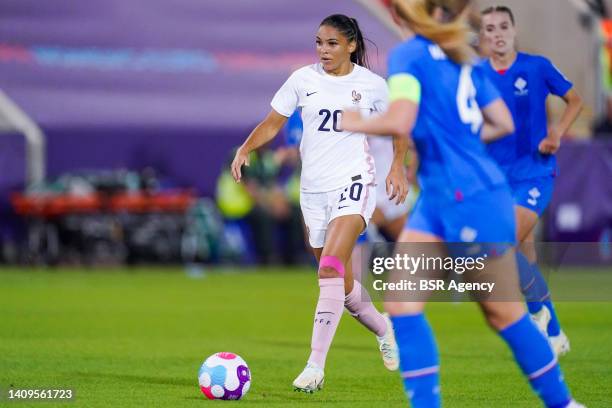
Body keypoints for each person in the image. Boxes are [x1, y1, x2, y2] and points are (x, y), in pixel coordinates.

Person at [342, 0, 583, 407]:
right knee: (401, 302)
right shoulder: (463, 58)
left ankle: (564, 404)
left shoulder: (410, 55)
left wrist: (355, 121)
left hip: (468, 200)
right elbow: (501, 122)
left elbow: (400, 120)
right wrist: (459, 144)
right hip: (440, 200)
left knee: (503, 314)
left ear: (405, 14)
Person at [231, 14, 410, 393]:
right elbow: (272, 122)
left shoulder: (373, 86)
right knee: (342, 286)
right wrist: (246, 148)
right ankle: (384, 328)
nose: (323, 50)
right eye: (318, 42)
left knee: (328, 270)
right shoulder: (303, 79)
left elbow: (400, 124)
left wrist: (397, 166)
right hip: (312, 193)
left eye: (331, 43)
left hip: (355, 185)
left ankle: (315, 366)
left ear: (350, 46)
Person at [479, 5, 584, 355]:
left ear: (514, 29)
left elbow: (575, 100)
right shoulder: (476, 75)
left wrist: (557, 132)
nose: (497, 34)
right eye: (490, 28)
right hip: (495, 178)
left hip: (534, 172)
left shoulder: (537, 67)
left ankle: (536, 313)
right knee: (523, 252)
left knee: (502, 242)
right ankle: (554, 333)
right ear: (482, 36)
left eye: (503, 26)